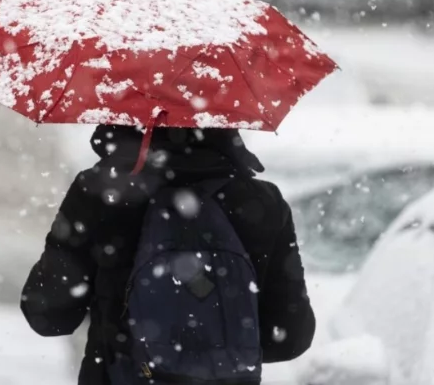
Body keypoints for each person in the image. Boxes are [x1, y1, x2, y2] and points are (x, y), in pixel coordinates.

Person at [21, 125, 316, 385]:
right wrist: (212, 343)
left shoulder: (100, 192)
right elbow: (289, 338)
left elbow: (48, 315)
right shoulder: (263, 202)